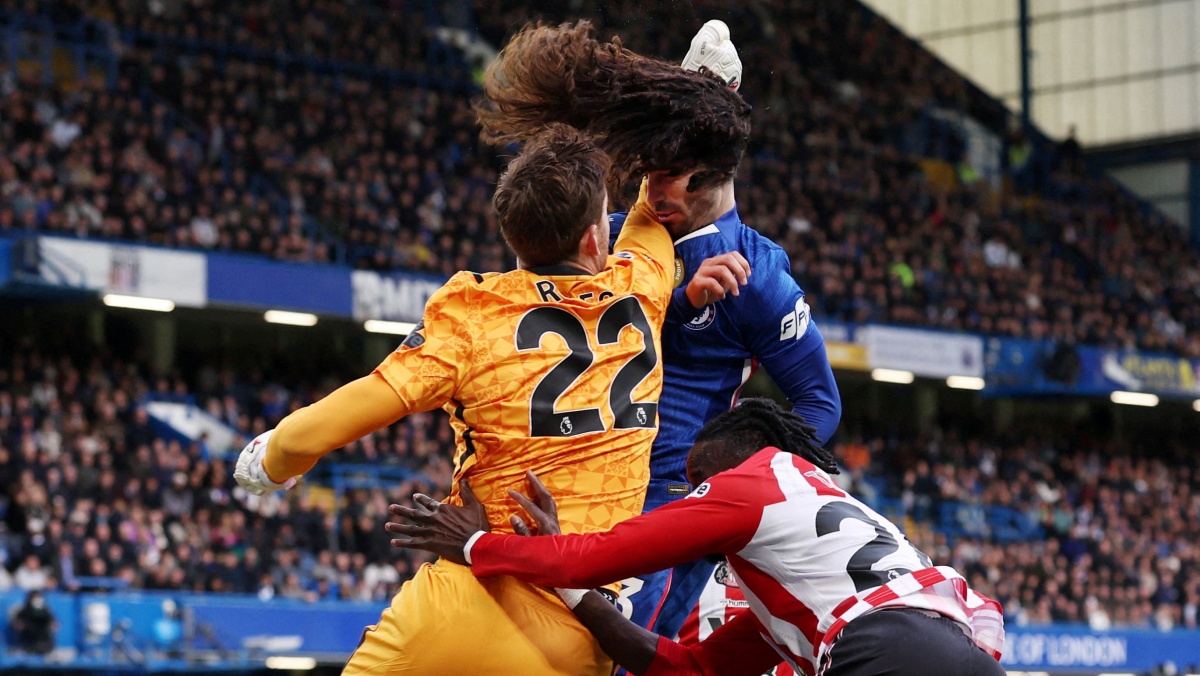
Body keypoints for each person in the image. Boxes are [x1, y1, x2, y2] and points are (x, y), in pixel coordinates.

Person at [234, 121, 751, 674]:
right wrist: (698, 100)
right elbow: (650, 211)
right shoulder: (642, 285)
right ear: (593, 239)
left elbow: (361, 405)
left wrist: (275, 459)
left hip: (461, 596)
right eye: (606, 216)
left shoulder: (474, 312)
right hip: (578, 622)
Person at [476, 19, 842, 640]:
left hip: (666, 504)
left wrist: (738, 479)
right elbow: (553, 322)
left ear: (717, 170)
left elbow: (820, 403)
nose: (655, 186)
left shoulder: (756, 276)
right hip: (579, 479)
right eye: (648, 168)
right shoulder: (613, 234)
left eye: (673, 172)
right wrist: (678, 304)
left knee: (621, 653)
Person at [388, 399, 1005, 676]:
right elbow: (693, 670)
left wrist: (476, 546)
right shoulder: (798, 552)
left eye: (698, 477)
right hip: (954, 652)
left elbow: (600, 555)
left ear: (742, 452)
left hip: (882, 651)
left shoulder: (751, 484)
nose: (692, 493)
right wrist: (572, 591)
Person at [11, 589, 58, 655]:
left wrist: (53, 625)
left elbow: (54, 624)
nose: (37, 600)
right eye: (35, 598)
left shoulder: (46, 611)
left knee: (43, 647)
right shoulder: (24, 611)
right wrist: (19, 625)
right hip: (28, 641)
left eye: (38, 597)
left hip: (44, 640)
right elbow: (17, 625)